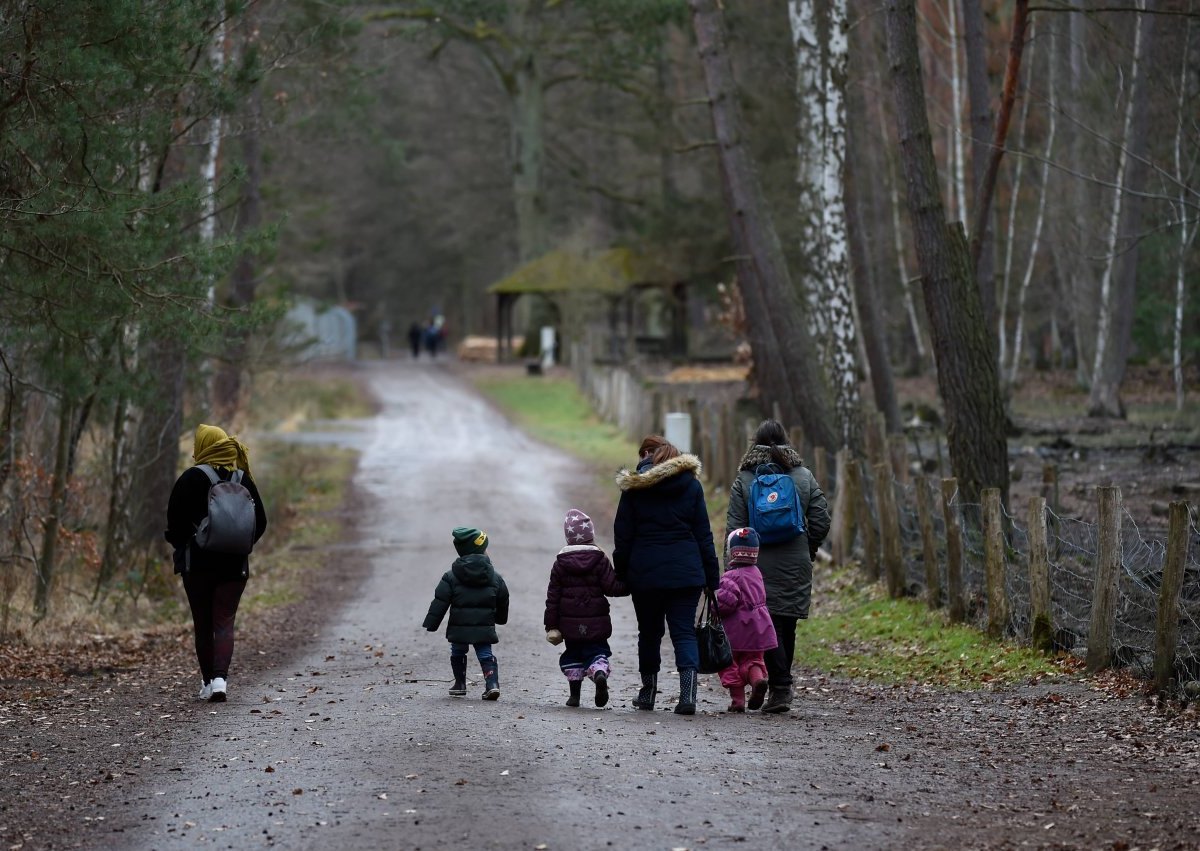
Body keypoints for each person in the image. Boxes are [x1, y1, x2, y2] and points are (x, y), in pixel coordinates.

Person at [725, 420, 830, 713]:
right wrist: (807, 549)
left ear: (754, 444)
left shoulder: (745, 479)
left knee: (767, 625)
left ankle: (781, 686)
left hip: (755, 566)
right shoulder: (803, 476)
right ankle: (781, 687)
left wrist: (730, 572)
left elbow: (734, 530)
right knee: (787, 624)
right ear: (786, 442)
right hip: (796, 560)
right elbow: (822, 520)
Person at [613, 435, 720, 715]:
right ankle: (688, 697)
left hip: (645, 573)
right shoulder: (692, 486)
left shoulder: (634, 488)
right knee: (684, 633)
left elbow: (623, 536)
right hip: (686, 573)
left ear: (648, 453)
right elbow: (703, 535)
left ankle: (648, 694)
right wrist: (712, 578)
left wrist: (622, 573)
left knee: (648, 634)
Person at [165, 424, 268, 703]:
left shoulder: (190, 478)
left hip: (196, 565)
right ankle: (221, 680)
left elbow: (173, 524)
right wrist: (240, 545)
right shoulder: (242, 478)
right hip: (234, 566)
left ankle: (208, 682)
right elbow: (262, 523)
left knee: (203, 624)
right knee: (224, 622)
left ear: (203, 447)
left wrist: (185, 544)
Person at [544, 508, 628, 708]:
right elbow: (612, 587)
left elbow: (553, 597)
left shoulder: (560, 564)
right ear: (590, 535)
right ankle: (599, 672)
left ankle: (575, 696)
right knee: (596, 651)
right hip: (596, 621)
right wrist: (630, 584)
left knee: (573, 654)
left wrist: (551, 625)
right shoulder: (600, 559)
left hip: (569, 623)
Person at [423, 527, 510, 700]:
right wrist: (500, 619)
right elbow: (503, 598)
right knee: (485, 653)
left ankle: (460, 684)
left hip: (459, 626)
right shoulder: (494, 576)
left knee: (457, 651)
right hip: (484, 626)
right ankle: (492, 684)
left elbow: (440, 601)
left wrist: (431, 623)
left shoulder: (451, 576)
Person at [715, 528, 777, 712]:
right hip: (759, 626)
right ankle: (758, 681)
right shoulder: (757, 573)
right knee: (754, 659)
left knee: (730, 663)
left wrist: (714, 607)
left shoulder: (730, 576)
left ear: (732, 553)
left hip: (737, 629)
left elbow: (727, 603)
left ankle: (738, 702)